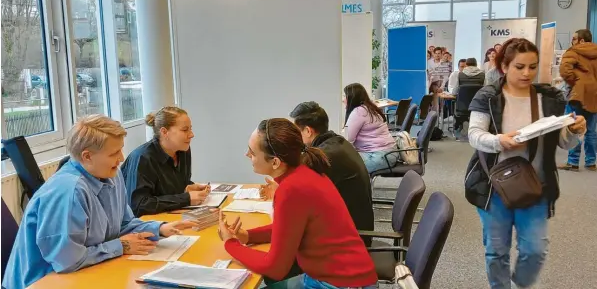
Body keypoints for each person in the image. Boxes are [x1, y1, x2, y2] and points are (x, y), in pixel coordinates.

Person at [2, 115, 199, 289]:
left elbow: (123, 224)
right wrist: (121, 246)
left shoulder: (111, 174)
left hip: (85, 273)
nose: (121, 158)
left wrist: (160, 228)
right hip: (44, 281)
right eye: (114, 154)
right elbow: (68, 261)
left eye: (120, 150)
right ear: (87, 156)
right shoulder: (68, 192)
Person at [464, 38, 586, 289]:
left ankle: (520, 285)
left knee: (535, 250)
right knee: (496, 251)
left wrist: (574, 131)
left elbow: (564, 144)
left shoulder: (548, 98)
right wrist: (500, 140)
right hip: (493, 187)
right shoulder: (488, 96)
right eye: (519, 67)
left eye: (532, 66)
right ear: (504, 66)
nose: (527, 73)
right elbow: (475, 135)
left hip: (536, 185)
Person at [218, 118, 378, 289]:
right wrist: (247, 236)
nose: (247, 155)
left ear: (275, 162)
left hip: (340, 283)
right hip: (349, 276)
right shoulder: (305, 172)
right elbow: (287, 228)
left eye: (252, 152)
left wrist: (231, 244)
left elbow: (276, 268)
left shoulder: (291, 189)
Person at [289, 101, 374, 245]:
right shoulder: (336, 142)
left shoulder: (325, 156)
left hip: (349, 239)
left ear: (308, 131)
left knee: (289, 241)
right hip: (352, 227)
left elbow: (300, 200)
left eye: (296, 132)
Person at [121, 106, 211, 216]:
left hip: (171, 217)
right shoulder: (143, 158)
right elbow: (139, 205)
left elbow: (166, 189)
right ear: (164, 132)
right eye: (185, 130)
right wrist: (186, 198)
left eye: (190, 129)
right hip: (145, 224)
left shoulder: (183, 150)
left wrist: (188, 187)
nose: (192, 134)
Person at [557, 29, 597, 172]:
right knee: (591, 131)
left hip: (577, 95)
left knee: (574, 127)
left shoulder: (573, 51)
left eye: (574, 38)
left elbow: (564, 70)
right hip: (594, 96)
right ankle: (591, 162)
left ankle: (573, 162)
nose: (571, 41)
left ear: (581, 40)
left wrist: (577, 81)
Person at [344, 83, 398, 173]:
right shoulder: (370, 108)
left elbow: (348, 140)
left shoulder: (359, 112)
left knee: (342, 165)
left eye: (344, 96)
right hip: (389, 153)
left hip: (380, 156)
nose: (343, 100)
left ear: (352, 97)